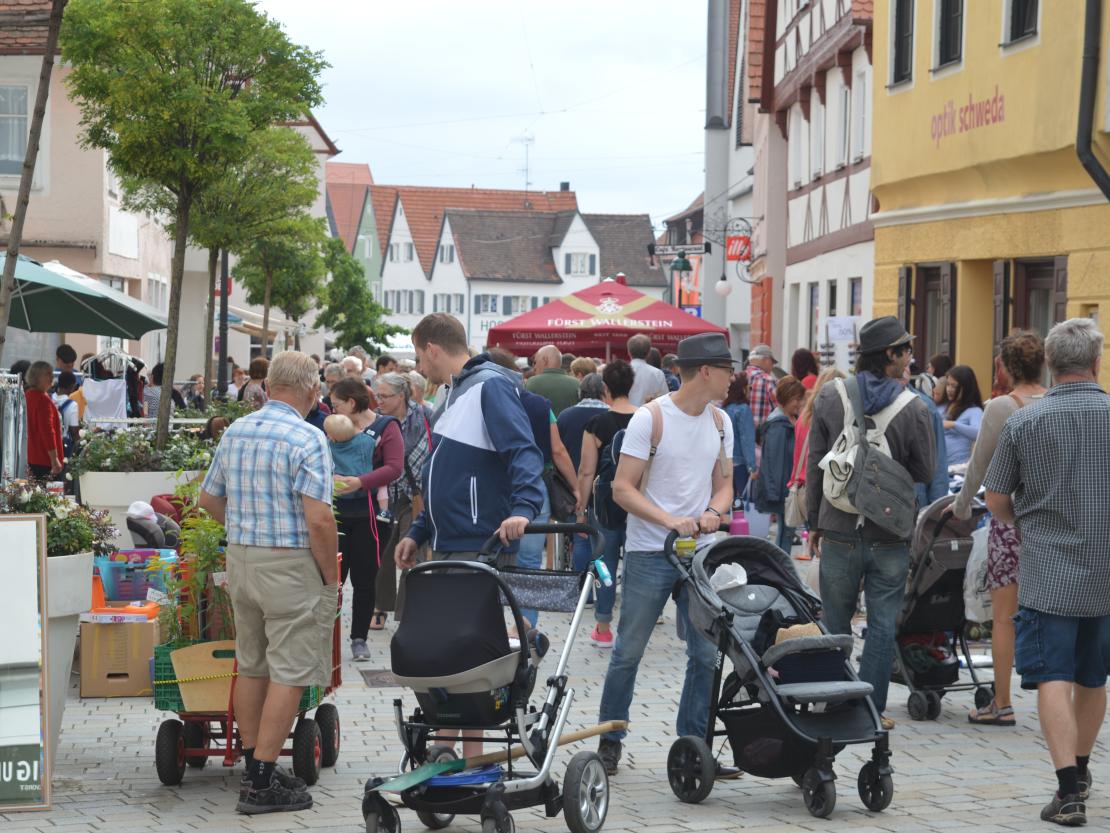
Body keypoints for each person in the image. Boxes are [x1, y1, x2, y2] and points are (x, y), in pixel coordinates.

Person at [198, 351, 338, 815]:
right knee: (291, 670)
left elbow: (207, 498)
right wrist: (331, 577)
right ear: (312, 390)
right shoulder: (308, 436)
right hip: (290, 564)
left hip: (242, 559)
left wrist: (244, 526)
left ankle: (254, 765)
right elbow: (319, 519)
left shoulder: (236, 431)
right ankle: (261, 780)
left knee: (252, 662)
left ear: (269, 385)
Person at [983, 318, 1110, 827]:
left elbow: (995, 498)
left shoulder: (1024, 421)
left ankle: (1066, 791)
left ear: (1052, 364)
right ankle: (1080, 771)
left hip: (1049, 571)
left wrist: (1025, 521)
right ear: (1096, 363)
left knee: (1053, 676)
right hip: (1106, 570)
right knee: (1092, 676)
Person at [596, 332, 734, 776]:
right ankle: (610, 738)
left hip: (700, 554)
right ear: (707, 372)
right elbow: (622, 489)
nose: (734, 378)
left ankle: (694, 745)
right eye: (728, 370)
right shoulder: (649, 419)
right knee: (628, 651)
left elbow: (725, 483)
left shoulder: (720, 423)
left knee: (705, 654)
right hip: (649, 552)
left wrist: (714, 510)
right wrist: (669, 519)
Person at [805, 316, 935, 728]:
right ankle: (870, 708)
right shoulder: (914, 407)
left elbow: (815, 467)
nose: (911, 357)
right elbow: (927, 470)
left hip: (839, 526)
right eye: (907, 350)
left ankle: (833, 698)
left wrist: (814, 524)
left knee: (835, 622)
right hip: (889, 533)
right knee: (881, 624)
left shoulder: (829, 396)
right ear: (890, 356)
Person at [948, 331, 1046, 728]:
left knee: (1004, 618)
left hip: (1010, 520)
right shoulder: (1056, 401)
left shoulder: (1002, 407)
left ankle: (1002, 703)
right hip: (1052, 525)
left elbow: (979, 465)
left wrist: (958, 505)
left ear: (1004, 367)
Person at [394, 313, 544, 567]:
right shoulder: (454, 393)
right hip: (458, 539)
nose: (419, 367)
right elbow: (442, 474)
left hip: (479, 541)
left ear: (431, 350)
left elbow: (522, 450)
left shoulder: (488, 385)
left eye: (419, 356)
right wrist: (419, 531)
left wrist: (524, 508)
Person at [489, 347, 579, 627]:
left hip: (494, 488)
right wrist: (576, 488)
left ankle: (491, 625)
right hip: (534, 488)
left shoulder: (481, 402)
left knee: (491, 560)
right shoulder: (539, 404)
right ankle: (524, 627)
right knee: (528, 563)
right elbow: (557, 449)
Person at [329, 377, 403, 657]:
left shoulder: (386, 427)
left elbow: (395, 467)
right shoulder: (333, 427)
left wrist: (360, 482)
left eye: (336, 405)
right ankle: (327, 639)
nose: (332, 411)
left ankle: (358, 638)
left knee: (364, 579)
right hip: (335, 513)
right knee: (331, 578)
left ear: (351, 402)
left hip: (370, 514)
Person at [573, 359, 637, 647]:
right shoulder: (646, 418)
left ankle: (603, 626)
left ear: (605, 389)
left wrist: (581, 509)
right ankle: (633, 626)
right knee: (637, 564)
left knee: (604, 563)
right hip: (640, 502)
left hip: (605, 503)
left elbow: (587, 471)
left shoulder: (596, 424)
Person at [374, 372, 433, 623]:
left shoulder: (425, 416)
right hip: (385, 494)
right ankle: (380, 607)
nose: (379, 401)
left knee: (413, 553)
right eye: (377, 396)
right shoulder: (378, 420)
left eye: (384, 396)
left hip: (416, 495)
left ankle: (407, 613)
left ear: (401, 396)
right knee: (384, 553)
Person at [788, 366, 845, 559]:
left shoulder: (803, 418)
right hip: (822, 489)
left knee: (807, 541)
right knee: (823, 549)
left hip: (803, 486)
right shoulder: (829, 420)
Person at [757, 376, 806, 554]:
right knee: (785, 534)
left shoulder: (787, 420)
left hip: (784, 488)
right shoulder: (778, 426)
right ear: (786, 398)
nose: (799, 403)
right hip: (782, 490)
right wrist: (776, 495)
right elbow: (774, 464)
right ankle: (781, 571)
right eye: (797, 399)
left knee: (786, 533)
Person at [556, 372, 609, 470]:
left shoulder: (565, 416)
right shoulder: (611, 415)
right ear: (605, 391)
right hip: (603, 478)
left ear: (580, 392)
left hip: (570, 476)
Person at [25, 361, 64, 480]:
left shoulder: (27, 395)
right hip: (44, 459)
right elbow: (47, 431)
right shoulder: (42, 400)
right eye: (47, 374)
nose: (52, 377)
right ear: (37, 377)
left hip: (32, 456)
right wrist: (54, 459)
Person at [722, 373, 757, 506]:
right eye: (749, 387)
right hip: (741, 464)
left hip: (725, 463)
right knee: (742, 504)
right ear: (743, 389)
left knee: (726, 502)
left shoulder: (723, 409)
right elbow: (747, 439)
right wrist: (752, 467)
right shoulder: (743, 410)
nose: (750, 391)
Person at [942, 364, 984, 466]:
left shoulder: (974, 410)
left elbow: (978, 433)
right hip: (942, 468)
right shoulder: (948, 407)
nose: (949, 389)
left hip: (958, 469)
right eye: (948, 384)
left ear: (966, 388)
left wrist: (953, 425)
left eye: (954, 386)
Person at [526, 344, 581, 416]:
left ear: (545, 360)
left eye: (535, 362)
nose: (534, 367)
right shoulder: (576, 383)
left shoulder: (531, 382)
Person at [626, 333, 668, 406]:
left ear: (628, 352)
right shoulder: (657, 373)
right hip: (649, 415)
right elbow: (664, 400)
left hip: (623, 414)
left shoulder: (620, 372)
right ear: (649, 353)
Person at [745, 344, 779, 429]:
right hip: (762, 437)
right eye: (772, 362)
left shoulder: (738, 378)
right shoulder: (768, 380)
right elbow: (780, 409)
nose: (772, 366)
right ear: (766, 360)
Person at [53, 370, 81, 461]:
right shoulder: (72, 405)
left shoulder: (49, 399)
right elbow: (73, 431)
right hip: (62, 445)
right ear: (72, 386)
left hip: (47, 443)